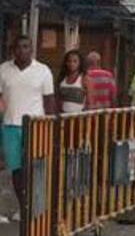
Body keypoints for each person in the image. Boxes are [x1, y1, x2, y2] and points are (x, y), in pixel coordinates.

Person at [0, 36, 56, 218]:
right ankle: (24, 207)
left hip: (36, 126)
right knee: (16, 169)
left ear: (31, 49)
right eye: (18, 47)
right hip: (10, 126)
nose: (22, 50)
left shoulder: (43, 71)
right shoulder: (3, 70)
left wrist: (52, 125)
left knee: (35, 166)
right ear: (12, 49)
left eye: (26, 47)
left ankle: (37, 206)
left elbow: (49, 101)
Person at [57, 49, 87, 114]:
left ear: (80, 63)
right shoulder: (62, 78)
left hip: (79, 117)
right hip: (63, 115)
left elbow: (90, 101)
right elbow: (58, 99)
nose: (71, 64)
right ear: (66, 63)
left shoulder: (84, 78)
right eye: (69, 61)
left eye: (75, 61)